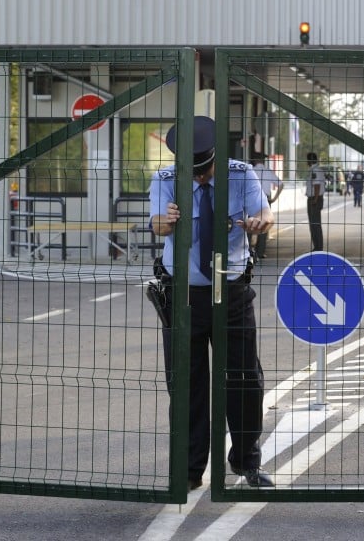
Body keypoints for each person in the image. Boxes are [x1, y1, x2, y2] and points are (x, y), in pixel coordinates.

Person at [148, 116, 275, 491]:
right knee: (186, 385)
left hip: (232, 293)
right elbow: (156, 223)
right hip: (182, 297)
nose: (201, 179)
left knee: (244, 381)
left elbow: (265, 212)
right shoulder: (166, 180)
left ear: (216, 158)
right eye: (195, 173)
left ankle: (247, 463)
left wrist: (260, 223)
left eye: (205, 171)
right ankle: (188, 471)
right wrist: (167, 221)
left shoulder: (242, 174)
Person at [249, 150, 284, 259]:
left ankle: (247, 251)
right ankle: (260, 252)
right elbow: (281, 184)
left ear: (254, 160)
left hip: (251, 200)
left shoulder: (250, 171)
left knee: (249, 225)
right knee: (263, 226)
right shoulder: (268, 171)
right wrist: (274, 199)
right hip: (265, 200)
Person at [305, 152, 325, 251]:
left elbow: (317, 185)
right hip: (315, 198)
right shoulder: (315, 169)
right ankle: (317, 246)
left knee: (315, 224)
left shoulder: (315, 170)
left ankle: (318, 247)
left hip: (314, 199)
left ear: (309, 160)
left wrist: (315, 199)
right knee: (314, 224)